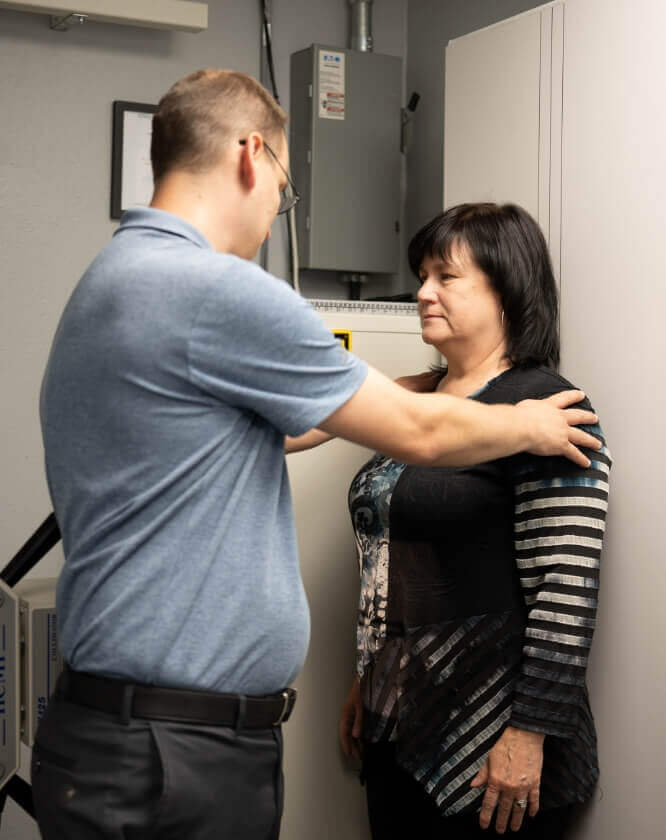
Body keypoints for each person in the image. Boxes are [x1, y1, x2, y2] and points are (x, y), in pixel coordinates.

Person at [34, 68, 600, 840]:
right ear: (250, 155)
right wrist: (524, 426)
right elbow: (421, 432)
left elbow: (564, 587)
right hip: (176, 755)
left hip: (118, 739)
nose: (275, 211)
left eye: (448, 277)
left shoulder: (111, 283)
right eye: (283, 186)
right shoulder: (215, 291)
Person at [339, 203, 611, 839]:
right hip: (398, 725)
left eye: (446, 276)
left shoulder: (549, 408)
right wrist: (371, 677)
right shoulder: (415, 406)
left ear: (508, 290)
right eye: (422, 275)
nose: (423, 292)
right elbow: (394, 556)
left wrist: (529, 734)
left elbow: (566, 589)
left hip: (493, 752)